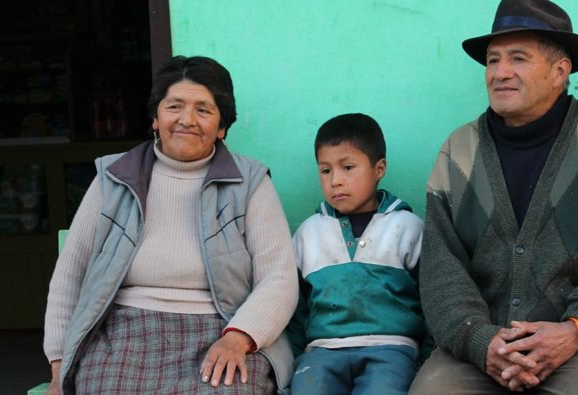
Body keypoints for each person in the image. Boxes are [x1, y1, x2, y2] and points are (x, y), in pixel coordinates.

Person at [410, 1, 578, 394]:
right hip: (479, 349)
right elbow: (442, 271)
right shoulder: (457, 153)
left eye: (518, 59)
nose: (500, 73)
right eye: (493, 61)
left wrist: (575, 328)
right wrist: (481, 341)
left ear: (560, 71)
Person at [43, 55, 298, 394]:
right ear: (155, 117)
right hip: (122, 333)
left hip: (223, 330)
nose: (186, 120)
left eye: (203, 110)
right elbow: (70, 272)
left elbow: (279, 277)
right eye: (174, 106)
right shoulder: (114, 178)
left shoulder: (249, 182)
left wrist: (239, 338)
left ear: (222, 126)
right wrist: (59, 368)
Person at [288, 113, 426, 395]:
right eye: (325, 171)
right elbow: (295, 307)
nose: (336, 180)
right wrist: (295, 354)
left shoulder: (407, 228)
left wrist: (426, 354)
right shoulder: (308, 233)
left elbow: (432, 299)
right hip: (322, 351)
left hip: (391, 349)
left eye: (348, 167)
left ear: (379, 169)